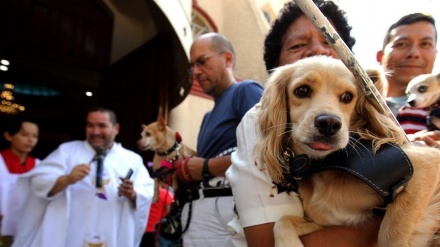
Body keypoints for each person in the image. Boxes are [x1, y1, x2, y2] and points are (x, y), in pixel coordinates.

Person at [226, 0, 382, 246]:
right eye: (298, 45)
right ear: (278, 64)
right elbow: (265, 242)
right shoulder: (259, 120)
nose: (319, 53)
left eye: (331, 43)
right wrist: (392, 222)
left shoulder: (367, 122)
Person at [12, 106, 154, 247]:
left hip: (113, 231)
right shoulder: (67, 152)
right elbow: (37, 182)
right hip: (72, 233)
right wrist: (66, 179)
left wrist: (133, 193)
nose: (95, 131)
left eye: (102, 126)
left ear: (116, 129)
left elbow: (147, 191)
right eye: (90, 126)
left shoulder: (132, 160)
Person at [179, 32, 263, 247]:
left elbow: (265, 152)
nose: (196, 72)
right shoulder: (208, 116)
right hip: (203, 208)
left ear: (227, 59)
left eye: (202, 62)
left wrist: (205, 167)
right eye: (192, 66)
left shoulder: (245, 91)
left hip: (229, 205)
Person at [376, 13, 437, 130]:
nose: (414, 53)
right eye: (401, 44)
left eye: (425, 44)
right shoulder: (356, 108)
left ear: (436, 54)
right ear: (380, 56)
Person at [0, 117, 39, 246]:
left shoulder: (40, 166)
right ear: (8, 136)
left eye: (35, 136)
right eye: (24, 135)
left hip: (28, 229)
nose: (30, 140)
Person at [140, 183, 174, 247]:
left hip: (142, 228)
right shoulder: (165, 193)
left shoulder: (145, 193)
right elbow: (169, 211)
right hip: (156, 229)